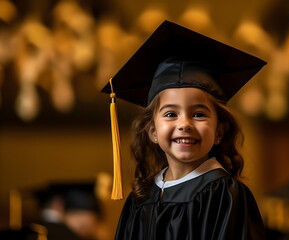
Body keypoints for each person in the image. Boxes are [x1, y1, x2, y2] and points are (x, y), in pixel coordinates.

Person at [102, 20, 266, 240]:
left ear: (219, 131)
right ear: (152, 131)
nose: (185, 124)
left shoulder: (224, 195)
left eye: (199, 114)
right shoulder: (140, 199)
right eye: (171, 114)